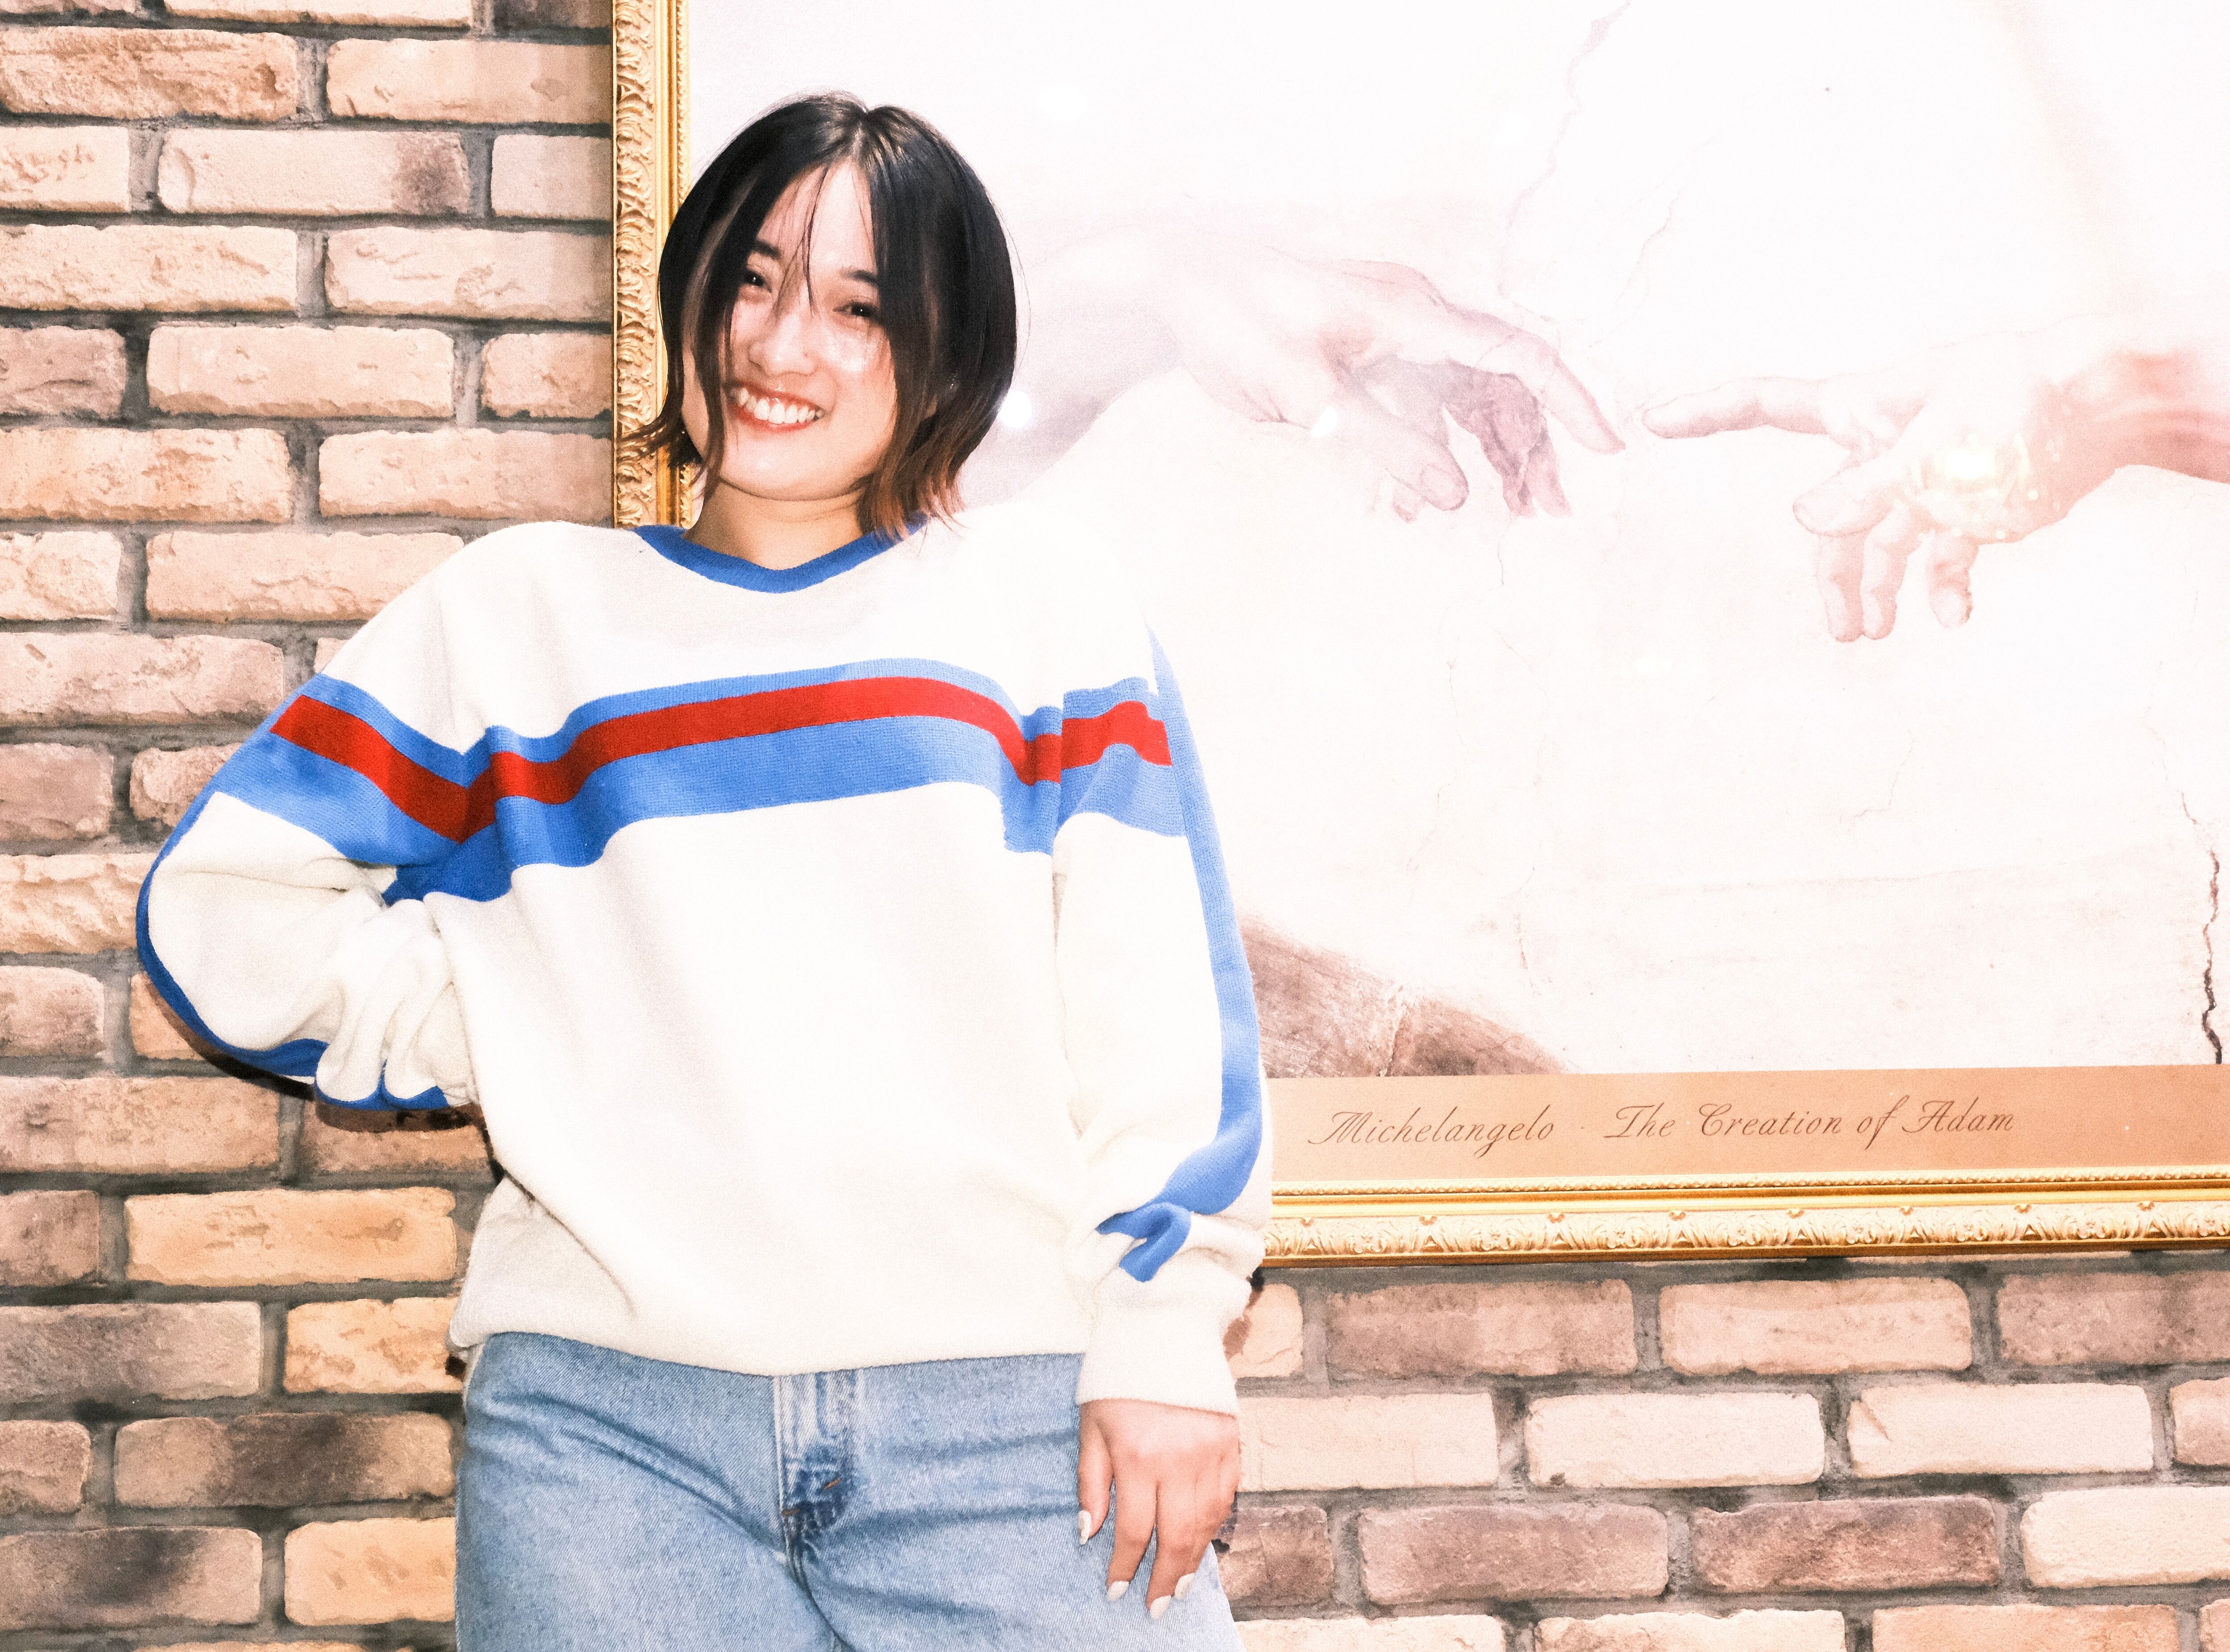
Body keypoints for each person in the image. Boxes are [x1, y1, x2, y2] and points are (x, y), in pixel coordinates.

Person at [133, 92, 1268, 1651]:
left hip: (1012, 1422)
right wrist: (512, 1013)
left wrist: (1169, 1337)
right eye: (752, 279)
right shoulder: (518, 615)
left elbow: (1161, 1018)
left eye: (860, 308)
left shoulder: (1041, 603)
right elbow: (223, 910)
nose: (781, 344)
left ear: (950, 353)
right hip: (610, 1444)